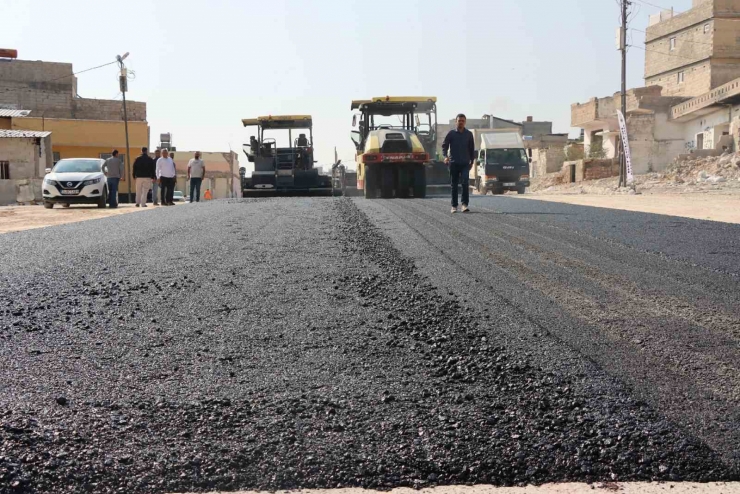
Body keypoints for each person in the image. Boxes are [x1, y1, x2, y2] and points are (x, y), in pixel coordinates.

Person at [442, 114, 475, 214]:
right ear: (456, 122)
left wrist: (472, 162)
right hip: (453, 163)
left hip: (465, 163)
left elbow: (471, 149)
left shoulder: (469, 134)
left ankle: (464, 205)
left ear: (465, 122)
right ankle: (454, 206)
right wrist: (445, 157)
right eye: (459, 120)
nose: (461, 122)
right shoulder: (451, 134)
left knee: (465, 183)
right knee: (454, 185)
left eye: (463, 121)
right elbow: (444, 146)